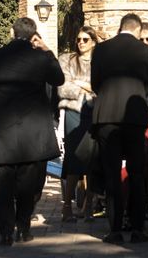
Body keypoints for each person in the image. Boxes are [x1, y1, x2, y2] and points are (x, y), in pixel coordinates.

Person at [0, 17, 65, 246]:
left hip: (3, 130)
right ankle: (23, 229)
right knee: (27, 185)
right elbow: (58, 78)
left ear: (11, 32)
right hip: (32, 132)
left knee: (5, 183)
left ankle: (5, 232)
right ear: (33, 35)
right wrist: (47, 50)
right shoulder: (40, 57)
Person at [90, 13, 148, 244]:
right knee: (136, 174)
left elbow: (95, 82)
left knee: (112, 174)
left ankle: (114, 229)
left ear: (121, 27)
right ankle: (137, 229)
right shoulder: (146, 51)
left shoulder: (101, 49)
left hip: (106, 115)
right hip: (134, 117)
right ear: (137, 30)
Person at [57, 25, 99, 222]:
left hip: (94, 113)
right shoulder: (67, 60)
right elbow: (62, 88)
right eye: (79, 39)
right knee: (73, 160)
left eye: (85, 39)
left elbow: (101, 88)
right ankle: (67, 206)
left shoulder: (100, 62)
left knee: (92, 160)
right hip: (73, 113)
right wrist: (87, 87)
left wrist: (80, 83)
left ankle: (88, 205)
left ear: (93, 42)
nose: (80, 43)